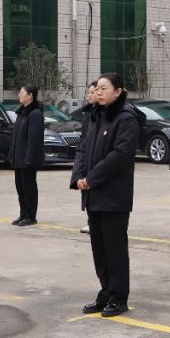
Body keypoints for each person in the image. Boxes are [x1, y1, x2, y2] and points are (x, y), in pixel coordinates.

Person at [71, 73, 139, 317]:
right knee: (99, 249)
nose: (98, 93)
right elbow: (83, 148)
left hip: (113, 197)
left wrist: (91, 178)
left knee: (114, 249)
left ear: (118, 91)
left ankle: (119, 297)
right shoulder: (95, 116)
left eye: (104, 88)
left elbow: (119, 156)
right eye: (97, 88)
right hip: (92, 194)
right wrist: (79, 177)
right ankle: (106, 291)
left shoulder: (126, 118)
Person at [10, 84, 45, 227]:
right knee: (20, 188)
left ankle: (31, 216)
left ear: (30, 95)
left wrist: (29, 158)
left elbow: (33, 139)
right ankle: (23, 214)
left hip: (27, 160)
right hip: (18, 158)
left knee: (29, 188)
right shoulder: (21, 113)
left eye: (22, 92)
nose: (19, 95)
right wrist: (12, 155)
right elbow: (16, 137)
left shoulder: (35, 114)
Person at [78, 82, 97, 234]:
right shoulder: (88, 113)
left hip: (95, 158)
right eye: (88, 92)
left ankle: (94, 222)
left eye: (92, 92)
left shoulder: (99, 114)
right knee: (86, 191)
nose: (89, 95)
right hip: (86, 156)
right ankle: (90, 221)